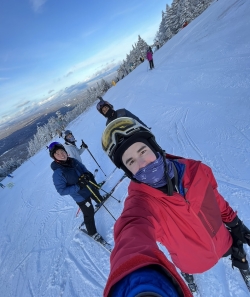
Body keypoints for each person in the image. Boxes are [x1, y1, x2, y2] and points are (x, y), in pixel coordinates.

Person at [101, 117, 250, 297]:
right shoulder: (141, 203)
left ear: (154, 148)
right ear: (128, 172)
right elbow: (131, 233)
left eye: (142, 151)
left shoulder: (196, 171)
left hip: (223, 241)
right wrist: (139, 284)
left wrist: (234, 223)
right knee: (188, 267)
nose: (142, 164)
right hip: (191, 262)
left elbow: (215, 200)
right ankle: (187, 274)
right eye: (131, 162)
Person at [49, 142, 105, 243]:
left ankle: (100, 200)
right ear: (54, 157)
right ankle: (92, 232)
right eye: (57, 153)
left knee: (96, 193)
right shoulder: (58, 173)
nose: (61, 154)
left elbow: (83, 168)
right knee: (89, 213)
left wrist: (87, 174)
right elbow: (61, 191)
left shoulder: (73, 161)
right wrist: (78, 186)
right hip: (81, 196)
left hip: (89, 186)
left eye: (62, 151)